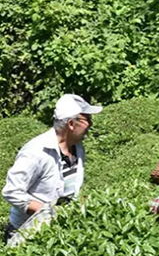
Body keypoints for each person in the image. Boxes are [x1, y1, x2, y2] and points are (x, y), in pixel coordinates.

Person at [3, 94, 102, 243]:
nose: (90, 124)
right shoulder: (36, 152)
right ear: (71, 124)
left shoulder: (77, 147)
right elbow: (11, 192)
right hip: (26, 233)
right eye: (87, 119)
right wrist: (48, 212)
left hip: (58, 231)